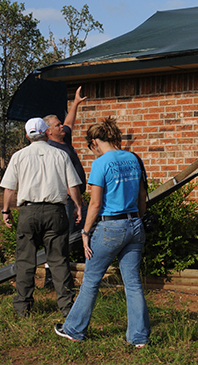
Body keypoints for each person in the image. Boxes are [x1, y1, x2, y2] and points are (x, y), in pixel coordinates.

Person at [54, 117, 150, 347]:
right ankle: (139, 337)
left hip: (110, 228)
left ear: (95, 142)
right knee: (133, 283)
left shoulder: (100, 163)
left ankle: (74, 329)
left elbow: (95, 204)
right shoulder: (133, 158)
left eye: (90, 147)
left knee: (91, 281)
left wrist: (85, 231)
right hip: (134, 225)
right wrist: (138, 218)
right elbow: (142, 198)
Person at [1, 117, 83, 317]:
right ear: (47, 132)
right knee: (58, 260)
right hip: (55, 211)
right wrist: (79, 206)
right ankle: (66, 307)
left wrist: (5, 210)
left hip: (28, 212)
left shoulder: (18, 156)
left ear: (28, 135)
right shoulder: (60, 155)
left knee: (25, 261)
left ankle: (23, 308)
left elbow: (9, 188)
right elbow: (73, 186)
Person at [43, 86, 88, 288]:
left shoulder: (63, 138)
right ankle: (52, 277)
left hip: (75, 198)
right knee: (63, 238)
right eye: (57, 125)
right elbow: (65, 181)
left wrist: (76, 103)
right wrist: (77, 202)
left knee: (72, 236)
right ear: (48, 132)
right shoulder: (52, 149)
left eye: (60, 124)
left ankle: (61, 275)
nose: (62, 126)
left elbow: (69, 122)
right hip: (65, 200)